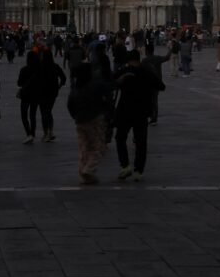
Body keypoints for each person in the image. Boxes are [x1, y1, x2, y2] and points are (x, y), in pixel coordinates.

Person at [114, 49, 161, 180]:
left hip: (125, 110)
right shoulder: (146, 72)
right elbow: (161, 86)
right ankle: (139, 171)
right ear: (139, 59)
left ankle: (125, 165)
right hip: (142, 112)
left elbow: (111, 82)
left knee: (120, 138)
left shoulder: (124, 71)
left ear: (128, 60)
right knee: (141, 141)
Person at [67, 61, 113, 184]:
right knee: (97, 147)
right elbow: (110, 87)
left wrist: (75, 116)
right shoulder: (95, 85)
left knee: (84, 147)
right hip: (94, 119)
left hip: (80, 121)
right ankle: (89, 169)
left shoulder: (76, 88)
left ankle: (83, 172)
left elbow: (70, 105)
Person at [37, 46, 66, 142]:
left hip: (41, 92)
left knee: (44, 112)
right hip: (53, 92)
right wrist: (59, 86)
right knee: (48, 111)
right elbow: (63, 78)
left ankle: (46, 133)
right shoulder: (55, 66)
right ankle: (50, 131)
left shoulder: (39, 66)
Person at [17, 49, 40, 144]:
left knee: (24, 115)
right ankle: (33, 133)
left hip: (26, 95)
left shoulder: (24, 69)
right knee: (33, 114)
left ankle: (28, 133)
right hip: (36, 94)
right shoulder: (39, 70)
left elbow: (19, 83)